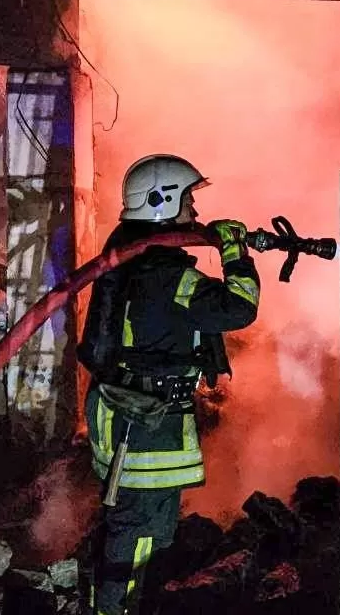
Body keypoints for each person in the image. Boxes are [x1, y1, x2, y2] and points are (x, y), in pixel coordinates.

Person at [76, 154, 260, 615]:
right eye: (188, 200)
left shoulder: (135, 259)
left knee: (141, 528)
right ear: (163, 201)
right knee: (136, 532)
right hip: (143, 426)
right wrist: (235, 253)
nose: (195, 211)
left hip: (137, 414)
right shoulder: (165, 274)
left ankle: (123, 603)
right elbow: (238, 307)